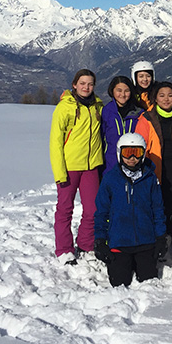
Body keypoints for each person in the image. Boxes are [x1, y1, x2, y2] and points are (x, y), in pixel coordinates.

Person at [94, 133, 168, 287]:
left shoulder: (150, 178)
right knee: (120, 282)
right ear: (119, 153)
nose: (132, 158)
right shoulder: (110, 179)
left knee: (148, 281)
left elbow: (158, 209)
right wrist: (100, 240)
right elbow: (101, 212)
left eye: (137, 152)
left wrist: (161, 238)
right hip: (120, 242)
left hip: (145, 242)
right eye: (128, 153)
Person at [49, 69, 104, 265]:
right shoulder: (65, 108)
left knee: (93, 209)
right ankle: (64, 250)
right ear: (74, 85)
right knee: (65, 209)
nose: (86, 87)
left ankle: (85, 244)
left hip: (91, 166)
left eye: (90, 84)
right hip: (70, 167)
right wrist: (59, 172)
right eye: (82, 83)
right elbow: (55, 142)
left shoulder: (97, 105)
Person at [135, 82, 172, 243]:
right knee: (156, 205)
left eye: (170, 95)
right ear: (156, 98)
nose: (166, 99)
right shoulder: (147, 118)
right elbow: (140, 145)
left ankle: (170, 237)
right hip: (153, 169)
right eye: (162, 95)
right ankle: (156, 238)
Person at [101, 75, 144, 174]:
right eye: (119, 90)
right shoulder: (106, 111)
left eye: (127, 91)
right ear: (112, 91)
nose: (123, 94)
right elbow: (101, 138)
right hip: (110, 164)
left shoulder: (139, 113)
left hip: (134, 163)